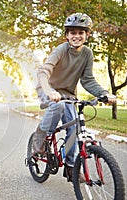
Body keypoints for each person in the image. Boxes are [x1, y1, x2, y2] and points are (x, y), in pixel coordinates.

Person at [32, 13, 116, 182]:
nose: (76, 36)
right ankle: (39, 140)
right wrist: (49, 91)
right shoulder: (61, 50)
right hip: (48, 88)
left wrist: (104, 94)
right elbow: (44, 71)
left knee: (74, 128)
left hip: (68, 94)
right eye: (72, 32)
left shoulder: (87, 54)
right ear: (66, 35)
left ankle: (71, 168)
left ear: (87, 35)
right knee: (58, 106)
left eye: (80, 32)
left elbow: (88, 80)